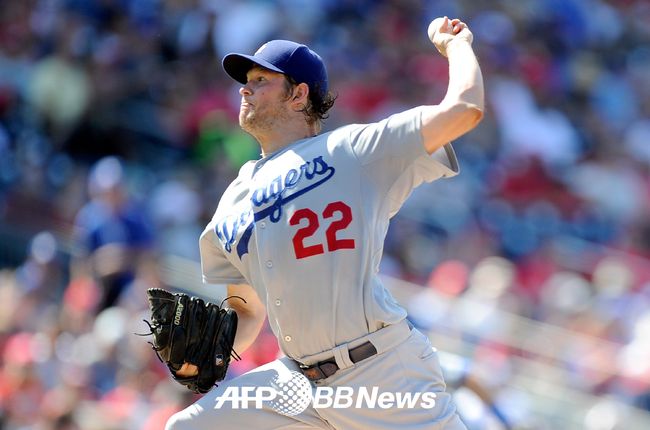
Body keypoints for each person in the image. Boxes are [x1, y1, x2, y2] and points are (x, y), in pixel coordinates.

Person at [166, 16, 484, 430]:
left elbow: (464, 109)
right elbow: (246, 310)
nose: (245, 88)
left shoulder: (353, 150)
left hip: (381, 373)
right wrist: (210, 354)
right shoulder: (234, 198)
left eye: (261, 80)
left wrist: (456, 46)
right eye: (246, 81)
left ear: (299, 95)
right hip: (296, 383)